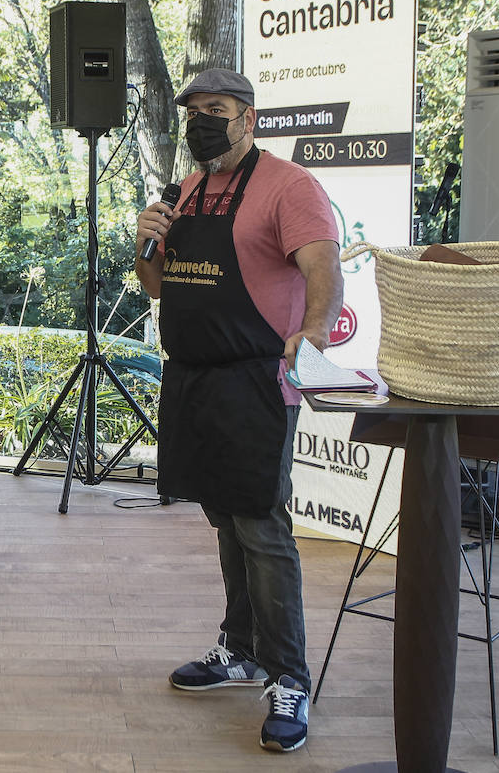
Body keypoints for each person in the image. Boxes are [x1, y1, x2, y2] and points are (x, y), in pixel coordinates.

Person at [134, 68, 343, 753]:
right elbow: (159, 287)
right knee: (223, 514)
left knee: (260, 524)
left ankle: (288, 678)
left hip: (258, 378)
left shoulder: (290, 187)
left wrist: (312, 336)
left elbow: (323, 265)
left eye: (215, 110)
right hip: (193, 376)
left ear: (248, 119)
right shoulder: (188, 191)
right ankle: (241, 647)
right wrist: (148, 240)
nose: (200, 120)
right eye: (192, 110)